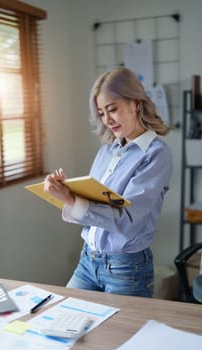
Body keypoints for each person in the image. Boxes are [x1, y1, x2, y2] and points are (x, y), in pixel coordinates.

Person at [44, 67, 173, 297]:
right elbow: (92, 209)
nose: (107, 119)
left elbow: (127, 221)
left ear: (136, 103)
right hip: (88, 260)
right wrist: (64, 192)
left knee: (122, 334)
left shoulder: (155, 154)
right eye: (102, 113)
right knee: (61, 321)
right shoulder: (107, 151)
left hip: (126, 268)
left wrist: (71, 199)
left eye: (112, 109)